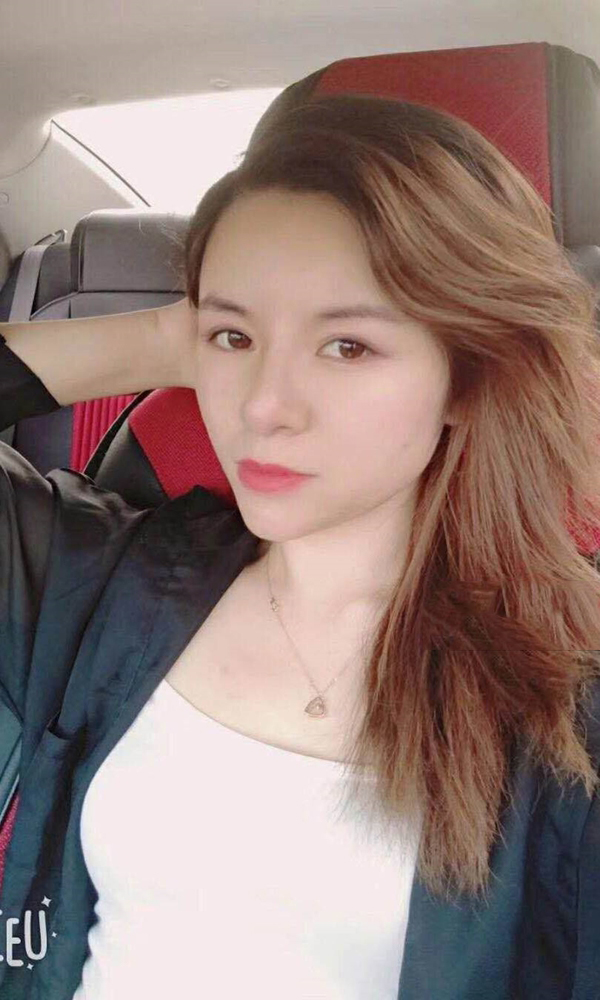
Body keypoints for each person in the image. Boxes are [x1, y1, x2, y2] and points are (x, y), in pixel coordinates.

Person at [0, 94, 599, 1000]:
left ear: (469, 377)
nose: (263, 405)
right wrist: (169, 336)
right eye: (233, 338)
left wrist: (238, 325)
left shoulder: (567, 695)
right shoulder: (100, 584)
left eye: (348, 346)